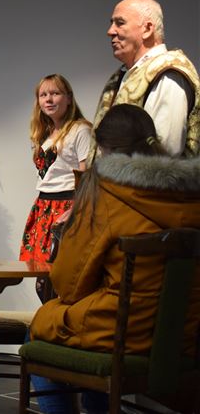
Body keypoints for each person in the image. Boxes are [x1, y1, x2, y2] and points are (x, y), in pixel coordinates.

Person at [28, 104, 200, 413]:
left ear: (104, 148)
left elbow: (68, 284)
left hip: (122, 334)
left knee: (39, 327)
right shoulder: (191, 197)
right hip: (183, 338)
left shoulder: (108, 194)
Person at [90, 0, 200, 162]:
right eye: (112, 23)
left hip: (143, 180)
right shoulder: (124, 74)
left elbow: (166, 151)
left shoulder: (168, 74)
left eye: (120, 23)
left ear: (147, 29)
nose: (110, 31)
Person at [19, 75, 91, 300]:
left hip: (67, 206)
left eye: (55, 93)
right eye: (43, 95)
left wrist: (75, 209)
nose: (49, 99)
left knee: (62, 278)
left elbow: (88, 176)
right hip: (44, 206)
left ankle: (62, 321)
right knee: (42, 281)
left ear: (68, 98)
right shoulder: (44, 133)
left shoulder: (81, 130)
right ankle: (50, 320)